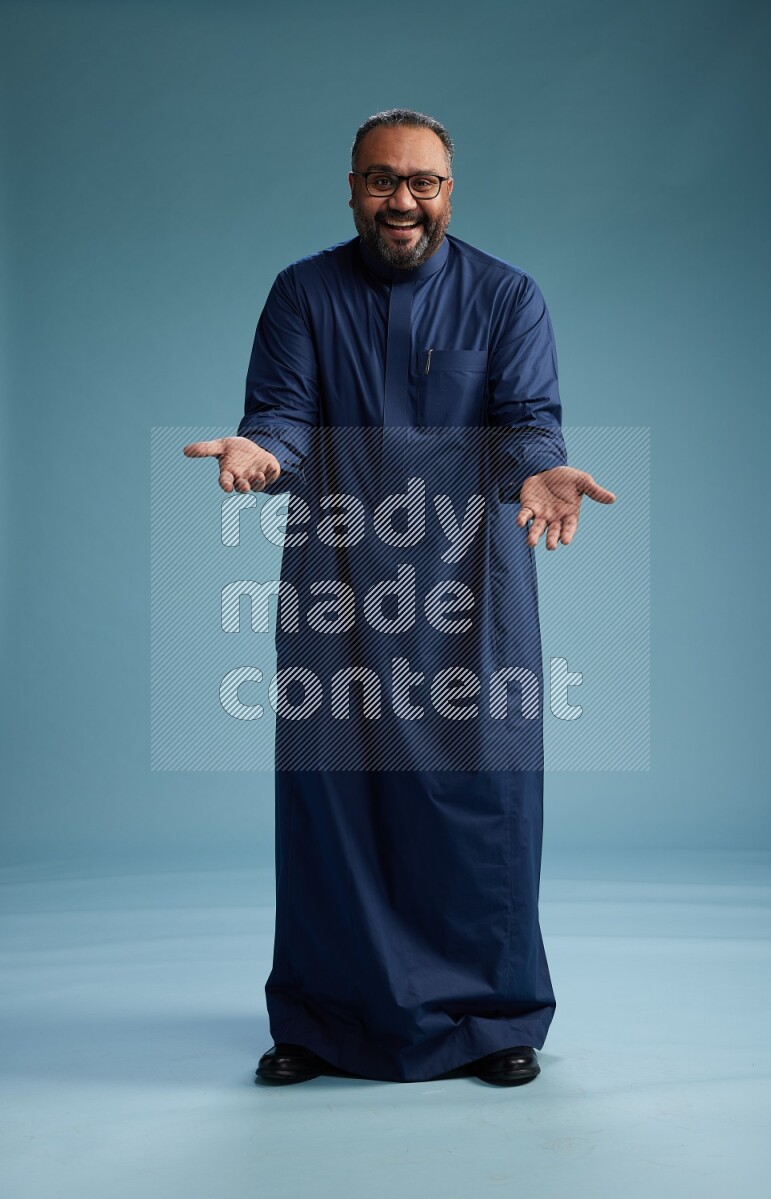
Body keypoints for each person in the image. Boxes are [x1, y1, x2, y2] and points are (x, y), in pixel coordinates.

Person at [184, 108, 615, 1087]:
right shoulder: (302, 292)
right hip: (340, 581)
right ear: (350, 189)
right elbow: (284, 410)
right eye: (382, 180)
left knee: (481, 795)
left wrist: (539, 470)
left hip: (474, 583)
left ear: (449, 192)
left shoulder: (506, 296)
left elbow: (525, 420)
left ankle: (492, 1014)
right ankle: (320, 1018)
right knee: (333, 797)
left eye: (421, 181)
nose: (402, 200)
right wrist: (263, 450)